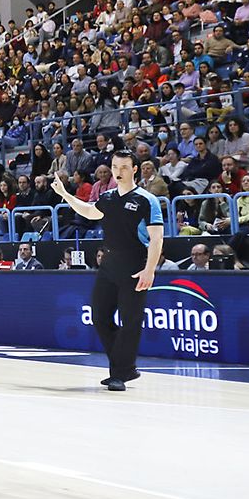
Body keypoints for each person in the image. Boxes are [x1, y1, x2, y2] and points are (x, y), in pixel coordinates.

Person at [51, 151, 163, 391]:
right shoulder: (108, 196)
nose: (118, 171)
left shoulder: (147, 200)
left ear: (134, 169)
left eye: (124, 167)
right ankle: (125, 368)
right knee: (99, 316)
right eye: (115, 167)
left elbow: (156, 239)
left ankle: (119, 374)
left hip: (135, 264)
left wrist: (149, 270)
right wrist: (65, 194)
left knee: (131, 320)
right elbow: (90, 211)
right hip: (109, 264)